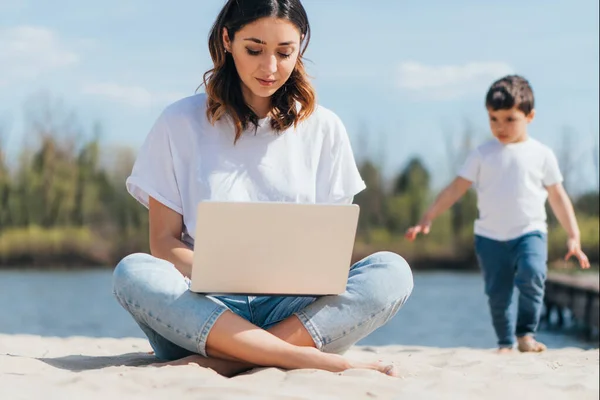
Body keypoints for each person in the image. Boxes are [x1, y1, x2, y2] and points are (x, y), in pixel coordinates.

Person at [112, 0, 413, 377]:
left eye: (284, 52)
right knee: (133, 271)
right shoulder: (178, 123)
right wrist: (226, 272)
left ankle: (231, 360)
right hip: (203, 309)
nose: (270, 68)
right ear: (227, 40)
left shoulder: (325, 128)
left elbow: (329, 253)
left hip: (293, 308)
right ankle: (301, 357)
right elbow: (164, 243)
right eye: (254, 50)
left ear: (300, 46)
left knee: (392, 270)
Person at [405, 75, 590, 353]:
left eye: (509, 119)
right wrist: (428, 217)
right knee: (498, 293)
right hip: (490, 237)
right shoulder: (482, 154)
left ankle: (525, 334)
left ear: (530, 116)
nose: (500, 127)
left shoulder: (542, 154)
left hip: (530, 232)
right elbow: (456, 188)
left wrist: (573, 236)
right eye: (493, 119)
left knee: (533, 274)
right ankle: (505, 342)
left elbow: (558, 197)